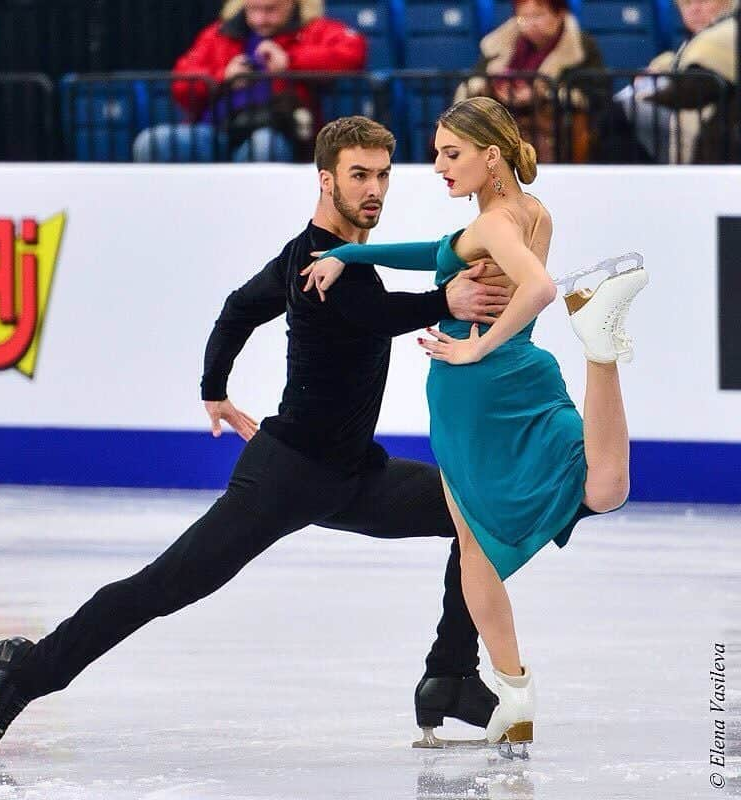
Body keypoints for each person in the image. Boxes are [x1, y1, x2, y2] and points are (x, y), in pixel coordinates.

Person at [0, 116, 518, 753]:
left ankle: (449, 673)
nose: (374, 190)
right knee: (165, 586)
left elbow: (239, 306)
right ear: (325, 180)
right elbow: (364, 315)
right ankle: (27, 670)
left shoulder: (337, 259)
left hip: (351, 477)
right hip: (286, 477)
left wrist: (215, 388)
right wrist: (440, 303)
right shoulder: (318, 261)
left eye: (383, 176)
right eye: (359, 175)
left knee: (471, 513)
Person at [302, 97, 649, 750]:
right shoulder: (531, 212)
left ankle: (515, 696)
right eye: (435, 152)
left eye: (450, 153)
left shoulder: (492, 225)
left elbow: (540, 288)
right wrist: (351, 252)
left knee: (477, 548)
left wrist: (473, 347)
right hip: (529, 375)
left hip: (474, 391)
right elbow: (439, 253)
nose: (436, 165)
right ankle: (600, 352)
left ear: (491, 156)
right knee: (604, 487)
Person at [132, 0, 367, 163]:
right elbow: (181, 82)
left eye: (271, 9)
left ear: (294, 3)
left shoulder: (314, 29)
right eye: (254, 9)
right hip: (217, 129)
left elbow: (352, 52)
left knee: (263, 145)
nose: (261, 18)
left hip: (280, 130)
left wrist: (290, 62)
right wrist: (223, 76)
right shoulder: (218, 34)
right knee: (151, 143)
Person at [453, 0, 603, 163]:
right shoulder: (498, 44)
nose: (530, 24)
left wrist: (542, 93)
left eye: (538, 15)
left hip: (552, 126)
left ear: (560, 15)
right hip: (505, 117)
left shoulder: (580, 47)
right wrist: (495, 88)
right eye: (523, 17)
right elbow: (475, 82)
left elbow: (593, 94)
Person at [606, 0, 737, 163]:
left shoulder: (725, 35)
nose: (694, 10)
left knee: (619, 114)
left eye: (703, 1)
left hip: (718, 136)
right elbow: (685, 62)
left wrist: (644, 97)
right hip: (695, 129)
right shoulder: (697, 42)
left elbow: (691, 90)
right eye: (687, 4)